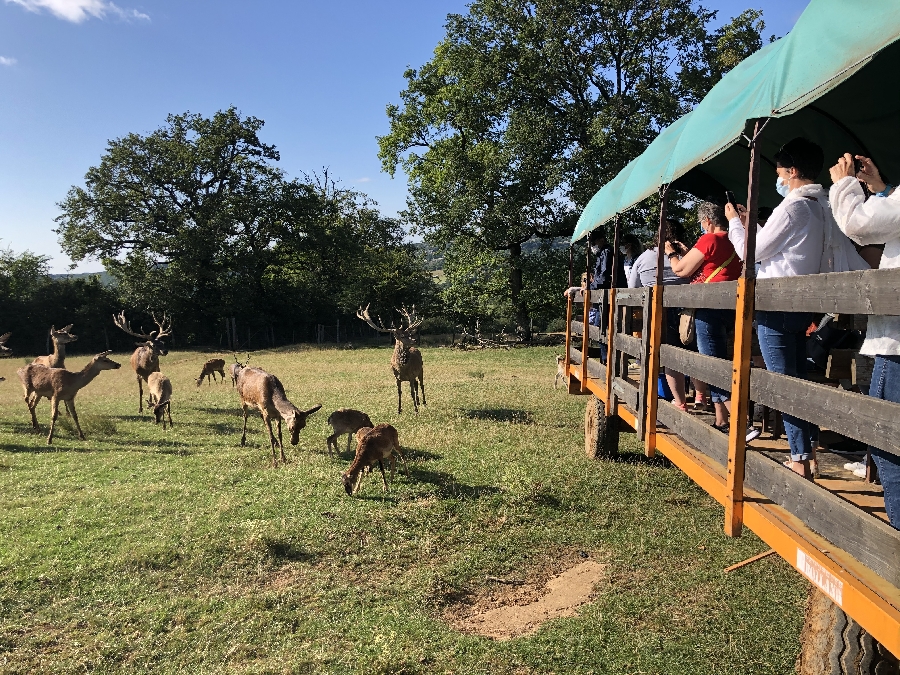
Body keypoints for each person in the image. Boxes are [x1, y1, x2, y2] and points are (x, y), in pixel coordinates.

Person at [727, 137, 846, 479]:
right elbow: (784, 248)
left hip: (776, 305)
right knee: (797, 380)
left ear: (791, 171)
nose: (777, 177)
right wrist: (754, 225)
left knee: (784, 384)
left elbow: (753, 253)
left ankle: (799, 457)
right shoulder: (819, 207)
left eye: (779, 170)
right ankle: (805, 452)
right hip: (802, 305)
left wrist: (736, 223)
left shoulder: (793, 206)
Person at [830, 152, 900, 529]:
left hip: (897, 344)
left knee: (888, 441)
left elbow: (858, 225)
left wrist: (844, 183)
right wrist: (882, 188)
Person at [667, 202, 748, 439]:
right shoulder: (736, 238)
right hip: (728, 307)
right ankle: (721, 418)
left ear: (708, 222)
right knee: (720, 359)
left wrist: (672, 254)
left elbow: (681, 270)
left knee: (714, 366)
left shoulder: (709, 240)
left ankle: (742, 424)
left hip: (707, 309)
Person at [627, 220, 691, 409]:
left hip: (655, 314)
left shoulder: (644, 258)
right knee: (691, 354)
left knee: (667, 356)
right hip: (688, 314)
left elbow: (633, 288)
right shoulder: (687, 256)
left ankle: (678, 401)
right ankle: (700, 396)